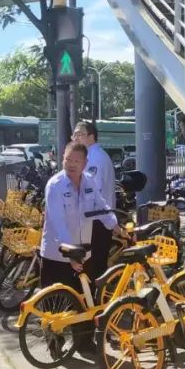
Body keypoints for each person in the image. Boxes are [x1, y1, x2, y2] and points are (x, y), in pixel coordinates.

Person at [39, 142, 119, 295]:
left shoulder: (89, 181)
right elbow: (58, 223)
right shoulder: (55, 186)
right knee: (56, 304)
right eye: (68, 159)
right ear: (63, 158)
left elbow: (100, 206)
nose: (71, 164)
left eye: (76, 161)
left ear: (85, 163)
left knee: (84, 301)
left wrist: (115, 225)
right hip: (58, 257)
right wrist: (71, 253)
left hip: (83, 255)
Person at [70, 120, 116, 282]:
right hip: (96, 218)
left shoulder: (95, 158)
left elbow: (89, 191)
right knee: (94, 263)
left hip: (96, 219)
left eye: (80, 134)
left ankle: (96, 296)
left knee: (94, 265)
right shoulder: (91, 155)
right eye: (74, 134)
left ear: (91, 137)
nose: (75, 138)